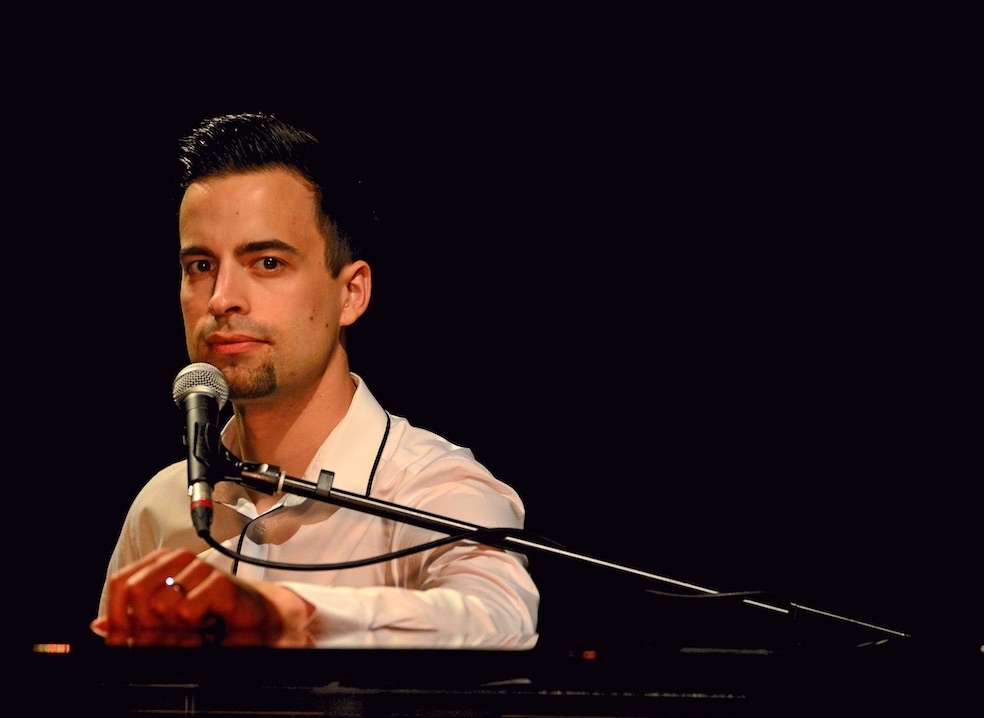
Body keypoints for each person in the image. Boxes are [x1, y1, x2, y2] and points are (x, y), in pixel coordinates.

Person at [91, 111, 540, 649]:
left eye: (268, 262)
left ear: (351, 293)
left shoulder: (433, 489)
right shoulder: (164, 507)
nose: (220, 297)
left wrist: (284, 612)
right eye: (200, 266)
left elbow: (499, 618)